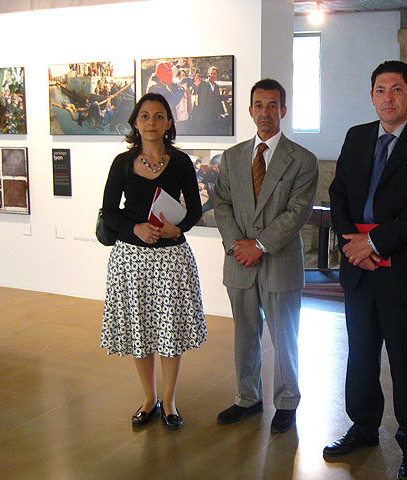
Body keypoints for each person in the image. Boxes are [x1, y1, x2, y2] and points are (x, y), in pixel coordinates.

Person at [326, 60, 407, 480]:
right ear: (371, 95)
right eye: (380, 90)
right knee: (361, 354)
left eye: (396, 89)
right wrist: (352, 243)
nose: (388, 98)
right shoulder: (357, 136)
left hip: (405, 270)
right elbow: (339, 191)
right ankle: (363, 428)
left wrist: (375, 242)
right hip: (360, 268)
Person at [213, 78, 318, 434]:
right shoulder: (232, 157)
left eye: (272, 105)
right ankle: (248, 397)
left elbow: (297, 211)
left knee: (285, 336)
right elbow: (222, 204)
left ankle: (287, 401)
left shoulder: (302, 160)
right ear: (249, 110)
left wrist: (257, 245)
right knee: (245, 334)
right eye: (258, 105)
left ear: (283, 111)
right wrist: (237, 245)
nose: (265, 112)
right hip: (239, 263)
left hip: (280, 263)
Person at [100, 92, 207, 430]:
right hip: (130, 259)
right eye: (144, 116)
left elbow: (195, 209)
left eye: (159, 116)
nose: (151, 123)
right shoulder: (121, 163)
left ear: (169, 124)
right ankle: (149, 398)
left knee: (169, 330)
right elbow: (109, 212)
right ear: (135, 122)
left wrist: (179, 226)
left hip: (171, 258)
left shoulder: (180, 162)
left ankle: (170, 400)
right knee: (140, 328)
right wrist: (136, 227)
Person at [193, 66, 228, 135]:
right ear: (208, 74)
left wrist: (224, 96)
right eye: (211, 73)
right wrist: (196, 85)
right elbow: (195, 91)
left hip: (213, 117)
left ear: (217, 76)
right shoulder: (202, 84)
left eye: (214, 74)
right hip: (203, 117)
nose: (212, 75)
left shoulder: (217, 87)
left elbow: (216, 99)